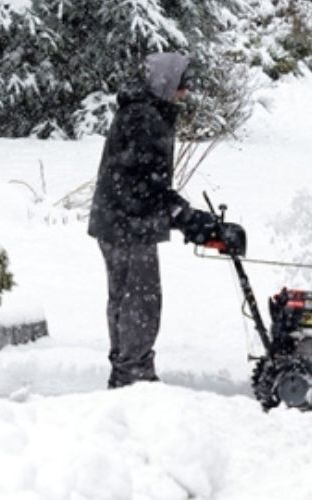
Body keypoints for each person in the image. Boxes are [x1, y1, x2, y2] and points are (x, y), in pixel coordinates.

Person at [87, 51, 219, 388]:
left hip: (117, 219)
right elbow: (145, 183)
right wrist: (183, 215)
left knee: (123, 296)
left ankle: (126, 368)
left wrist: (180, 214)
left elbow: (144, 181)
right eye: (182, 84)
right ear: (166, 82)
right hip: (128, 223)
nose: (185, 92)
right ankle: (134, 374)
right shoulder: (145, 117)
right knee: (140, 301)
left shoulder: (141, 110)